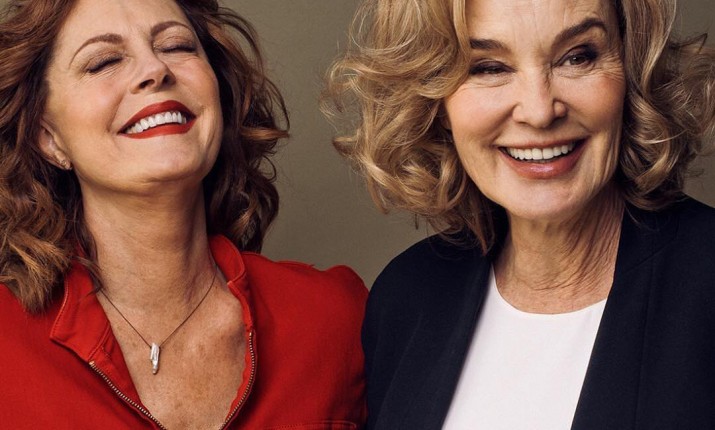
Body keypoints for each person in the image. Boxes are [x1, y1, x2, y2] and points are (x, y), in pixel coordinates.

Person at [325, 0, 715, 428]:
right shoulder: (407, 297)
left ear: (631, 68)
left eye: (577, 57)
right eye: (489, 68)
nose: (539, 111)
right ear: (435, 97)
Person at [0, 0, 367, 428]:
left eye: (176, 46)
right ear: (48, 137)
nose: (155, 69)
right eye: (103, 62)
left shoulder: (334, 317)